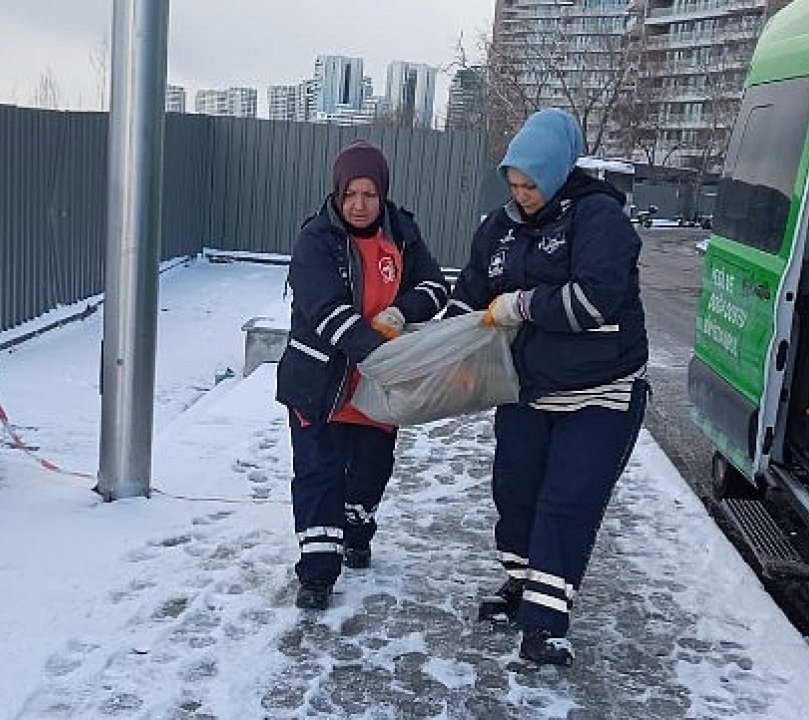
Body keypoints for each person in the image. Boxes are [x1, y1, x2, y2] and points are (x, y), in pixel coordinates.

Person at [445, 109, 649, 666]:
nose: (521, 193)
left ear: (558, 172)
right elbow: (470, 295)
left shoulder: (599, 219)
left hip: (598, 392)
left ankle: (546, 623)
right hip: (527, 388)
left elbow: (592, 301)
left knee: (566, 502)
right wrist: (449, 345)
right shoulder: (499, 227)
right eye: (513, 183)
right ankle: (520, 585)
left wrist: (522, 304)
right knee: (514, 495)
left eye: (530, 183)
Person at [275, 140, 450, 610]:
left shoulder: (402, 231)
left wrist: (401, 309)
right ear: (337, 192)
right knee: (317, 474)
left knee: (369, 475)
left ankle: (357, 529)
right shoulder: (316, 239)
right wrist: (373, 350)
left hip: (377, 391)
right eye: (350, 193)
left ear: (382, 194)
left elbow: (435, 288)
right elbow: (325, 310)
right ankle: (316, 572)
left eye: (369, 194)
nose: (359, 204)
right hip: (319, 385)